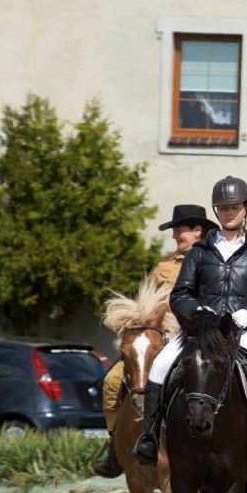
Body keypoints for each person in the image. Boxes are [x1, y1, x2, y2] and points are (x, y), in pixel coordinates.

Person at [131, 177, 247, 474]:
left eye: (234, 207)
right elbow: (180, 296)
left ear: (246, 208)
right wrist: (198, 311)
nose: (229, 212)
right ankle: (150, 438)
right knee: (161, 364)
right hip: (202, 332)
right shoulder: (199, 253)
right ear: (216, 212)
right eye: (223, 208)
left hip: (242, 332)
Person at [92, 203, 217, 478]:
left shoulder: (214, 262)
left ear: (198, 231)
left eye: (180, 231)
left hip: (195, 338)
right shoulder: (164, 267)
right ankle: (116, 447)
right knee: (113, 381)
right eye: (174, 232)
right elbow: (147, 304)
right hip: (158, 340)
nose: (175, 236)